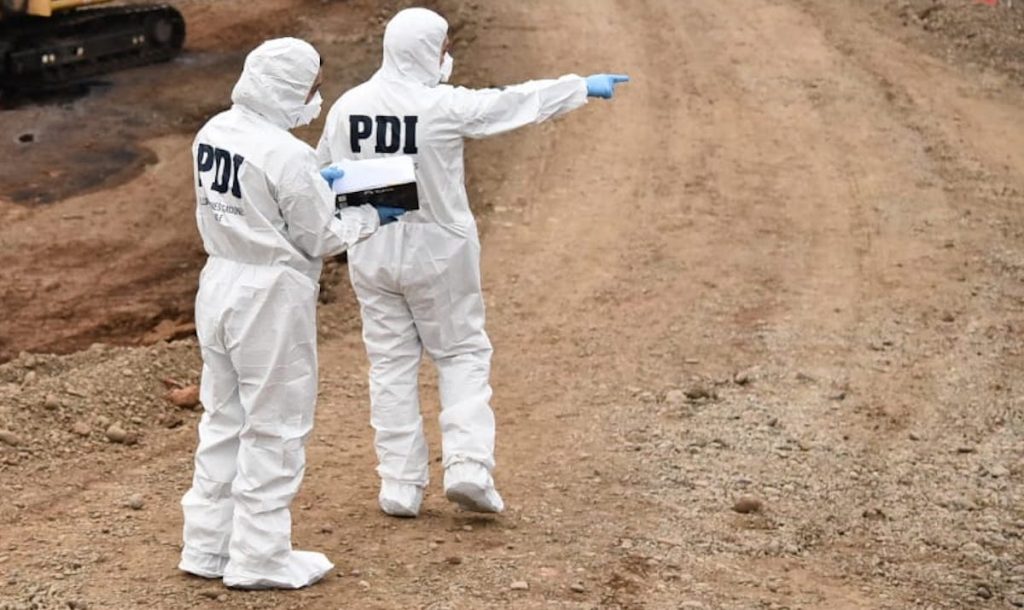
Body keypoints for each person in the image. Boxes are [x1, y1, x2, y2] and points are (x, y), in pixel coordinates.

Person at [316, 7, 629, 518]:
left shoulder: (348, 105)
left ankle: (399, 484)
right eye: (441, 49)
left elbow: (320, 174)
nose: (446, 58)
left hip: (371, 248)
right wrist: (580, 87)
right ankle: (467, 467)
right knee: (460, 354)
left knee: (390, 366)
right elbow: (513, 104)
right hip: (438, 252)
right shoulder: (443, 105)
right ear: (427, 51)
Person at [179, 37, 404, 589]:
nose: (315, 98)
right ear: (285, 88)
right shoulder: (288, 154)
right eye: (310, 89)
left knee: (224, 419)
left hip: (220, 282)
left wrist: (310, 189)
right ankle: (259, 557)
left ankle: (207, 546)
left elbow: (255, 200)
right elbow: (321, 237)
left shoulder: (214, 131)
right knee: (275, 426)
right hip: (269, 296)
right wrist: (375, 214)